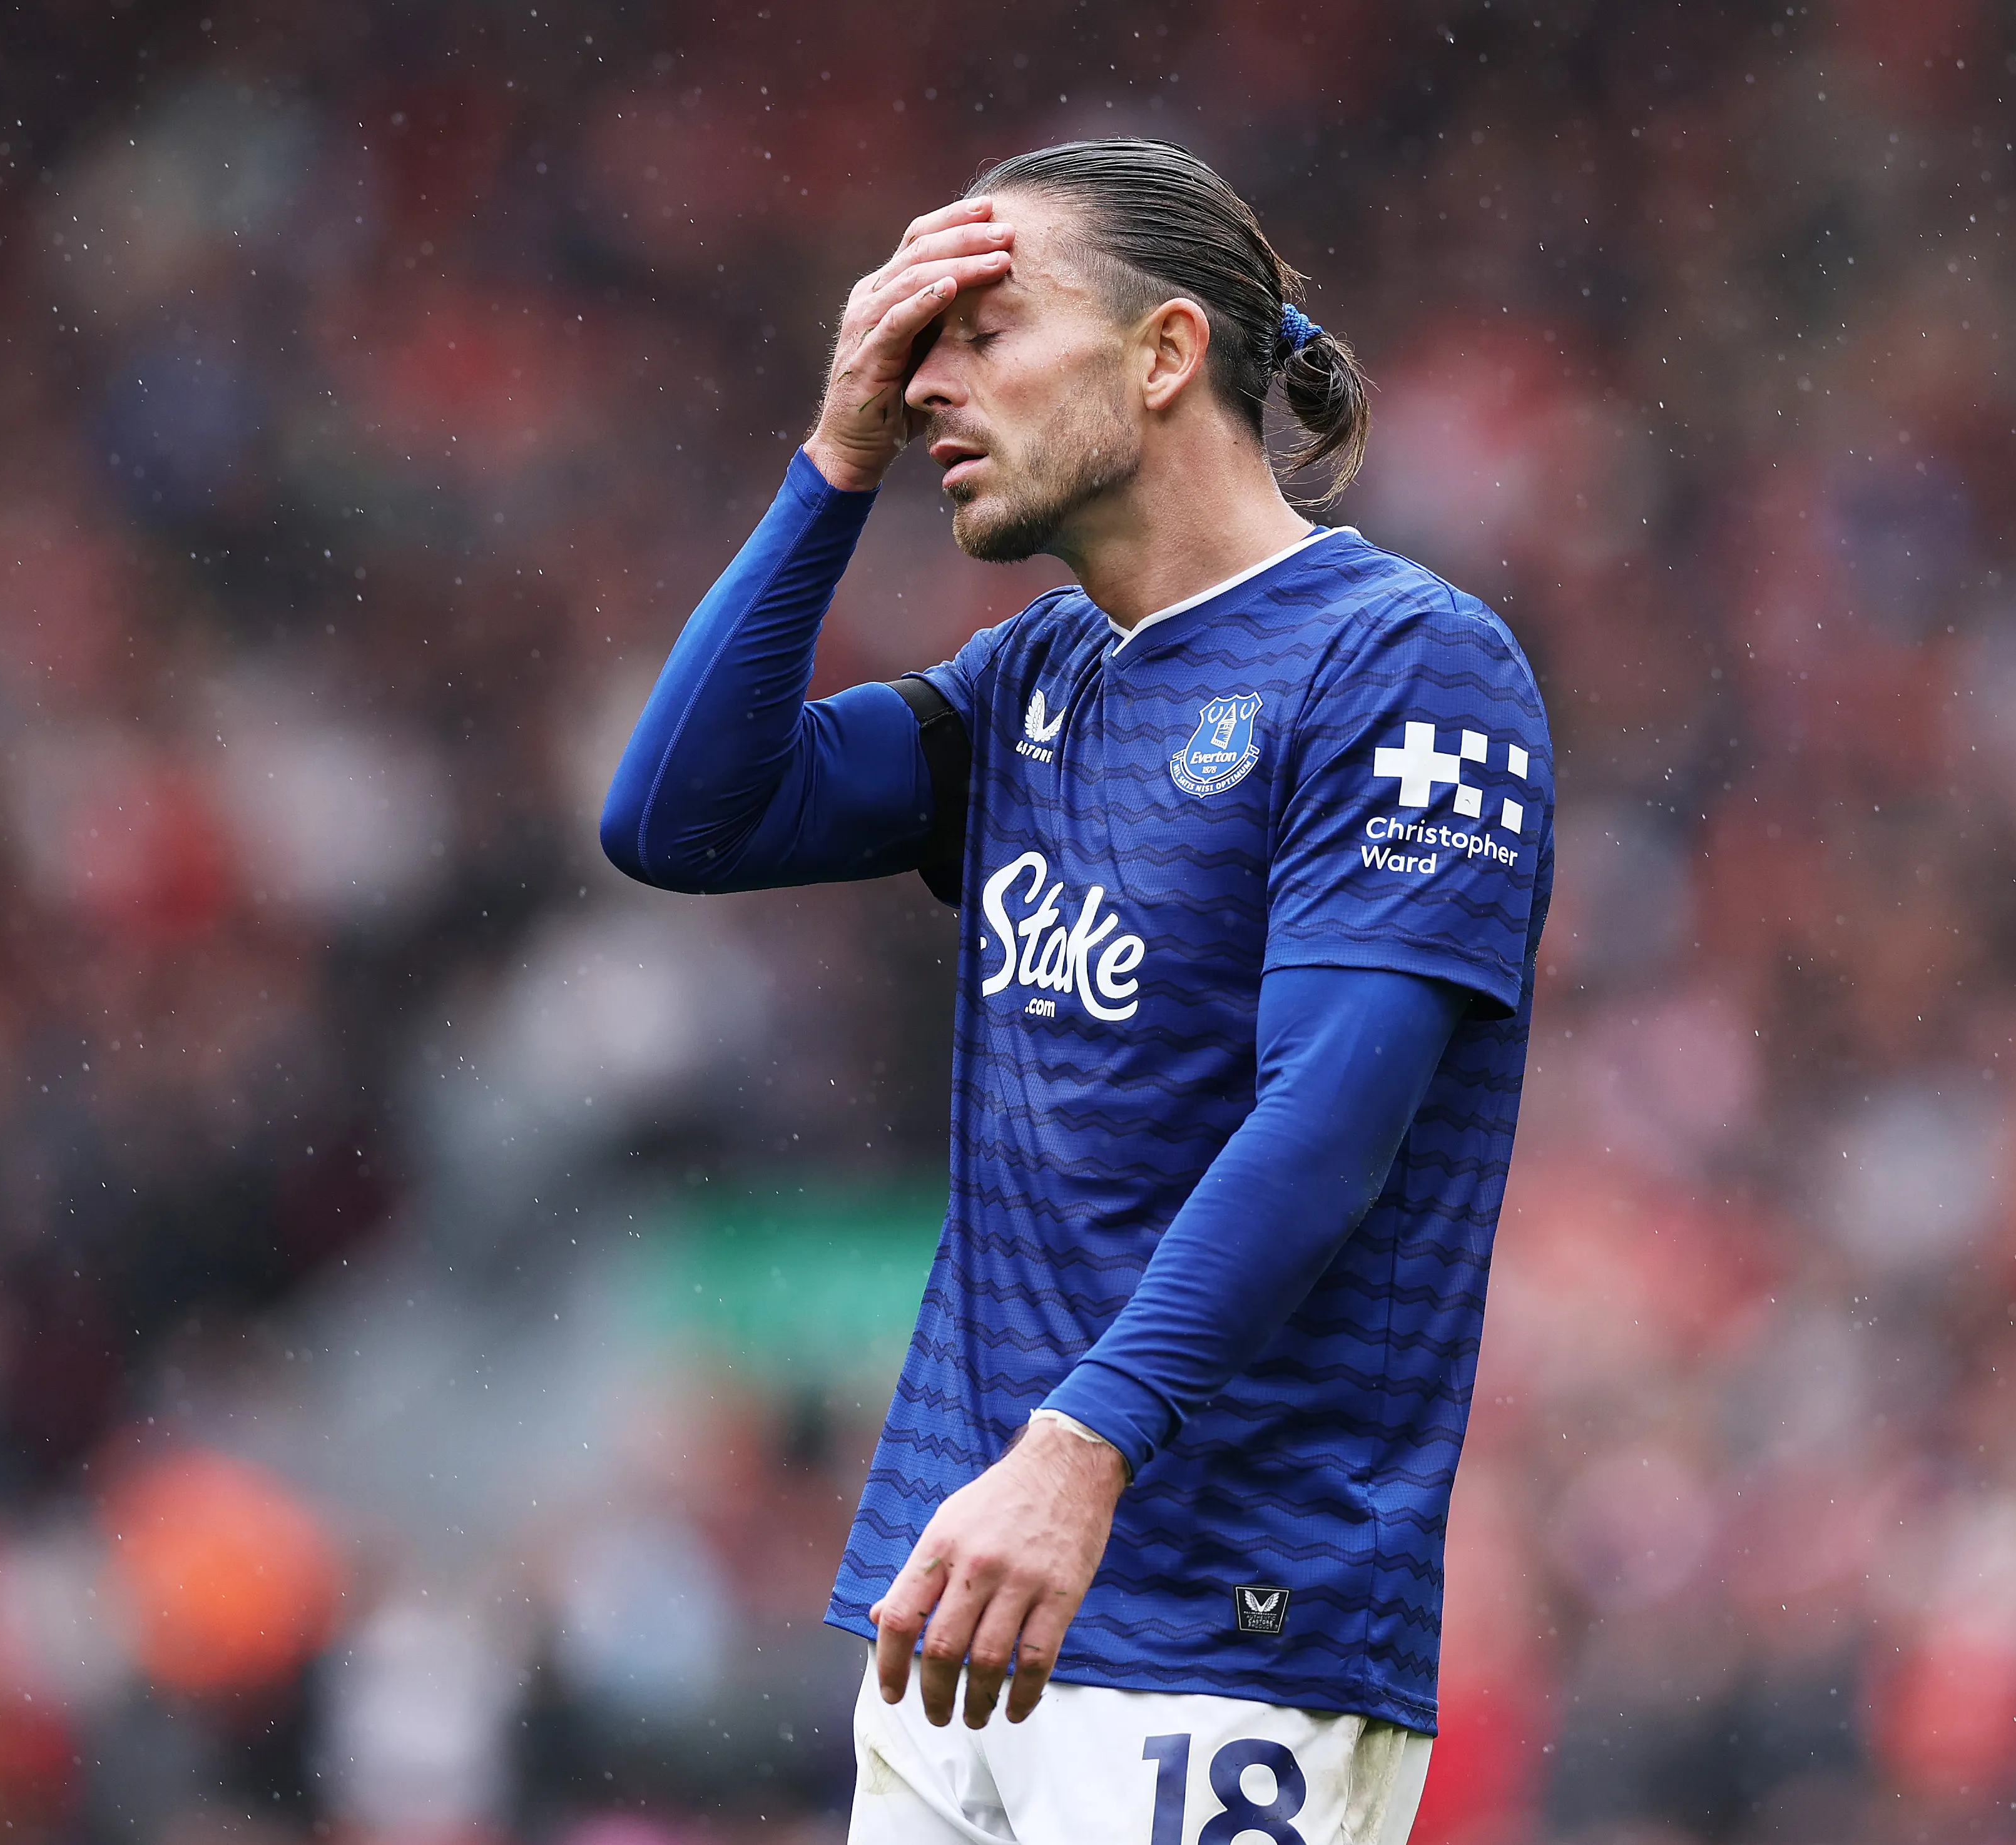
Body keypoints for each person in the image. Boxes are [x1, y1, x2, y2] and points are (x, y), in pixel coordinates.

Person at [601, 139, 1553, 1845]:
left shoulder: (1405, 663)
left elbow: (1327, 1124)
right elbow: (680, 815)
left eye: (978, 327)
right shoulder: (1036, 675)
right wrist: (831, 459)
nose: (925, 382)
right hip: (960, 1612)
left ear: (1166, 353)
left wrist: (1078, 1449)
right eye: (914, 340)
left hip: (1220, 1625)